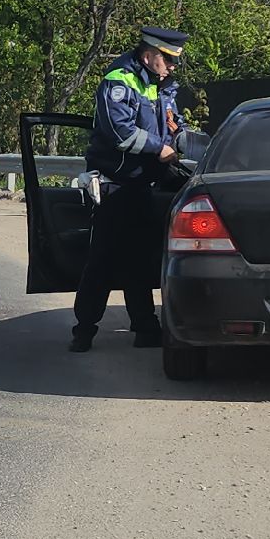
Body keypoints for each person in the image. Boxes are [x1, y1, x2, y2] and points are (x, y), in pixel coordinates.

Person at [69, 25, 187, 353]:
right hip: (115, 186)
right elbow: (121, 133)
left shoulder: (161, 86)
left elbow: (172, 123)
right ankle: (84, 331)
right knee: (102, 260)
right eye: (168, 59)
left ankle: (146, 328)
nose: (173, 66)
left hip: (143, 186)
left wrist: (182, 138)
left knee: (139, 259)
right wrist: (159, 148)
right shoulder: (119, 81)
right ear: (149, 55)